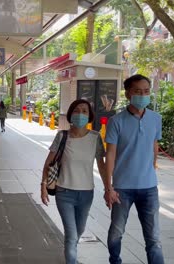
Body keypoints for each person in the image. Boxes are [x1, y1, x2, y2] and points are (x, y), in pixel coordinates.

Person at [41, 99, 110, 264]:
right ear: (71, 114)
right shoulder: (62, 136)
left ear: (89, 115)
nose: (80, 114)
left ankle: (69, 250)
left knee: (79, 231)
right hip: (64, 192)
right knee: (71, 235)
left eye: (84, 111)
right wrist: (43, 185)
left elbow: (102, 165)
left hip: (87, 194)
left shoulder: (95, 138)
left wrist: (109, 188)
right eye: (77, 111)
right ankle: (71, 257)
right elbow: (48, 163)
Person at [104, 74, 164, 264]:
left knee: (153, 238)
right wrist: (109, 188)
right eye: (138, 91)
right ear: (128, 93)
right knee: (116, 232)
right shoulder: (116, 121)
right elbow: (110, 155)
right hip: (122, 188)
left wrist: (152, 167)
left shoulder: (156, 118)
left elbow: (154, 145)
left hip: (149, 188)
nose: (142, 95)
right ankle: (115, 261)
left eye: (146, 91)